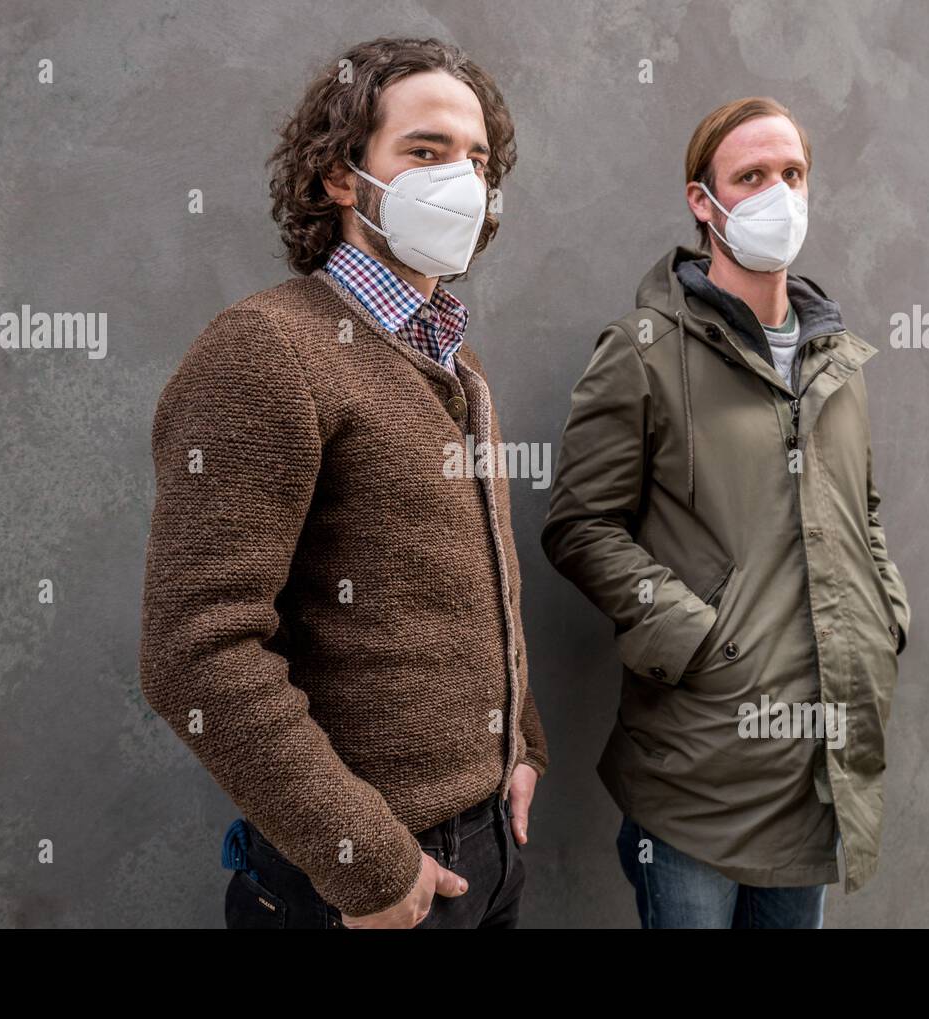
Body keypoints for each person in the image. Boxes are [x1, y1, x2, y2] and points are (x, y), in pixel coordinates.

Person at [138, 37, 547, 930]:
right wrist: (363, 856)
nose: (463, 181)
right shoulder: (266, 350)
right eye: (425, 151)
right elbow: (195, 652)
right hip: (362, 885)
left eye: (476, 159)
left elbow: (478, 578)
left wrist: (520, 743)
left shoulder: (454, 358)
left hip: (488, 857)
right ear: (338, 176)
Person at [541, 96, 910, 929]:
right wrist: (693, 633)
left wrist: (886, 612)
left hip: (817, 768)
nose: (778, 192)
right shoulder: (642, 351)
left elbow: (864, 509)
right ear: (702, 202)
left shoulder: (835, 360)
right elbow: (577, 525)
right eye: (750, 175)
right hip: (695, 777)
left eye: (793, 174)